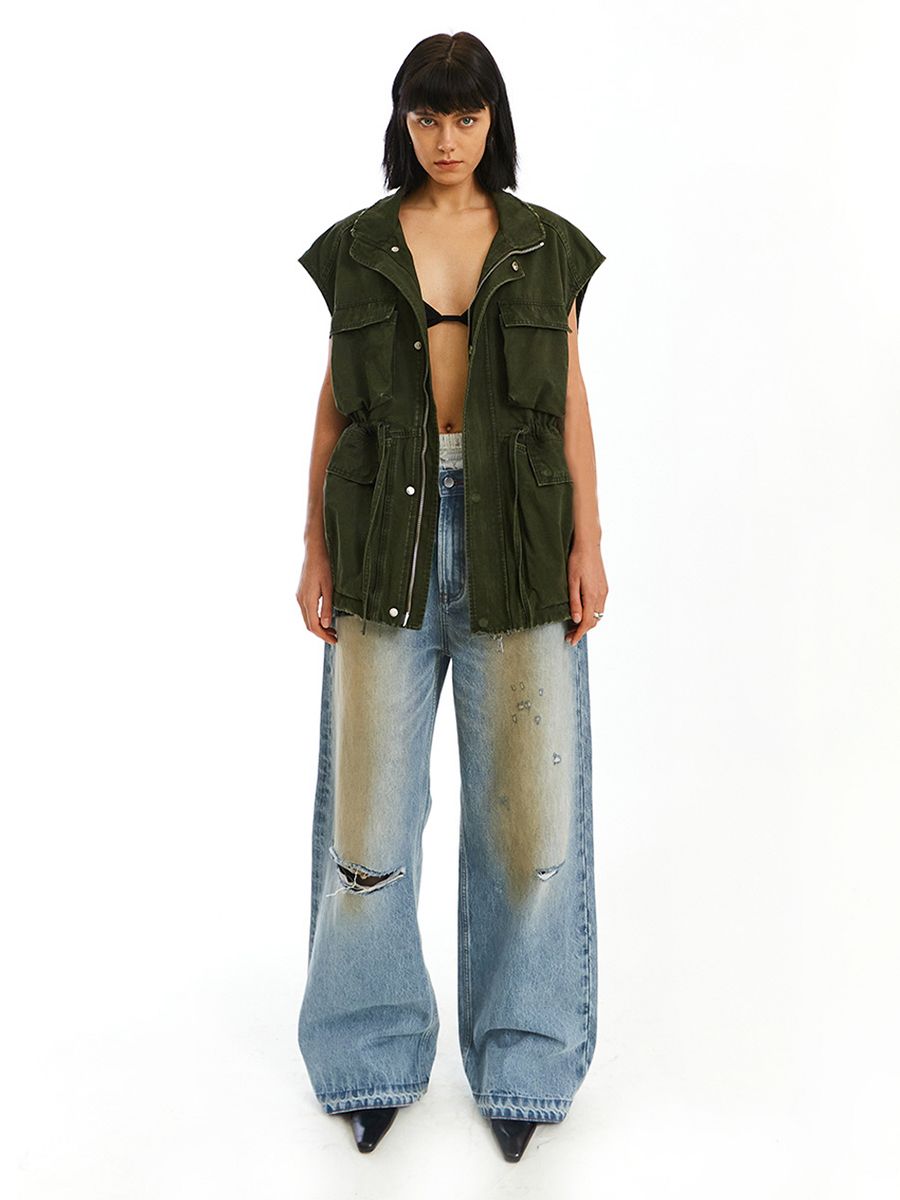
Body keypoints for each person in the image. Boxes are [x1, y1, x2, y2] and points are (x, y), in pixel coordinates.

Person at [294, 31, 609, 1163]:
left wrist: (590, 541)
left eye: (465, 117)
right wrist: (313, 546)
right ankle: (368, 1053)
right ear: (404, 121)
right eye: (427, 117)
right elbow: (334, 407)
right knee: (369, 818)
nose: (445, 138)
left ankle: (525, 1061)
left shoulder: (543, 247)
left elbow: (571, 400)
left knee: (530, 818)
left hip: (518, 535)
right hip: (383, 533)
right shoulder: (357, 248)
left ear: (491, 121)